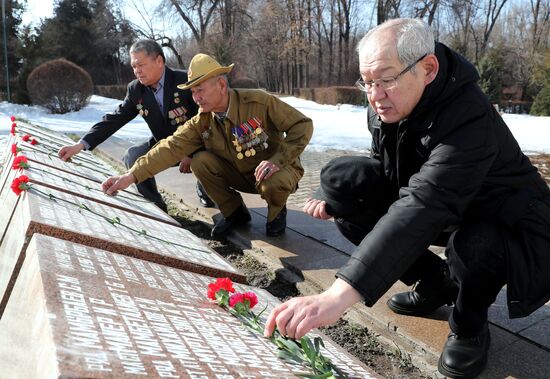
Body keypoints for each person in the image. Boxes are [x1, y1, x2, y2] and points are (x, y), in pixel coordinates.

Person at [264, 18, 550, 379]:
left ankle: (469, 324)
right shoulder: (386, 102)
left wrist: (336, 296)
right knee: (343, 186)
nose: (374, 95)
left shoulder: (468, 115)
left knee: (475, 245)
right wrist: (330, 195)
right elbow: (382, 167)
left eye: (385, 80)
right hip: (440, 204)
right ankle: (436, 282)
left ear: (427, 69)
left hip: (500, 216)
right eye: (366, 82)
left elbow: (426, 203)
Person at [101, 53, 313, 237]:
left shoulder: (258, 102)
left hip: (275, 171)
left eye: (200, 90)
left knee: (273, 183)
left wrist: (277, 160)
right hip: (240, 174)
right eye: (193, 92)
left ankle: (277, 211)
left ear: (221, 85)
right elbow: (171, 147)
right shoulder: (202, 120)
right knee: (200, 161)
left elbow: (302, 125)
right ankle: (235, 213)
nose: (196, 98)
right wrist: (129, 176)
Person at [57, 39, 214, 211]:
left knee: (205, 159)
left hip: (196, 143)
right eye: (133, 66)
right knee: (133, 156)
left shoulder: (185, 81)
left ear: (159, 61)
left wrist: (190, 153)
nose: (137, 71)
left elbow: (206, 121)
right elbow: (114, 119)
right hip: (163, 144)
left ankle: (205, 190)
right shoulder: (136, 90)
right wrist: (80, 144)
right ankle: (156, 205)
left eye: (141, 65)